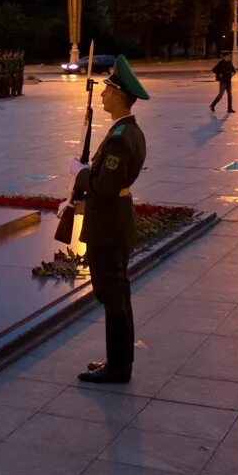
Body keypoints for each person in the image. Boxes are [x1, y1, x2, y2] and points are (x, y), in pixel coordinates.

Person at [62, 55, 149, 385]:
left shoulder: (119, 137)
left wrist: (82, 174)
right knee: (117, 293)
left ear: (119, 96)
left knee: (111, 295)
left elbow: (105, 187)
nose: (101, 95)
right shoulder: (128, 131)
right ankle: (119, 360)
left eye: (107, 90)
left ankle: (118, 368)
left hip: (109, 227)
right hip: (113, 224)